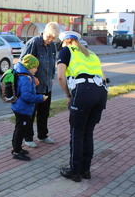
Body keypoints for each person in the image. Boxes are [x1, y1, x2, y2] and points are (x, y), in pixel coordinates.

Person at [57, 31, 108, 182]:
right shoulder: (91, 53)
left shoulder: (66, 50)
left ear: (65, 42)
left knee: (77, 133)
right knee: (88, 133)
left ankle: (75, 171)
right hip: (101, 92)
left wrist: (68, 95)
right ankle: (86, 170)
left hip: (83, 92)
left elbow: (60, 76)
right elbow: (103, 76)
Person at [19, 22, 60, 148]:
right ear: (44, 31)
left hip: (47, 85)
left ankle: (42, 135)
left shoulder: (52, 46)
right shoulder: (34, 43)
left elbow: (52, 63)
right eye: (49, 36)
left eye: (53, 38)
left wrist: (51, 77)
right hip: (33, 87)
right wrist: (32, 77)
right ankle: (28, 137)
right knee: (31, 113)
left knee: (44, 112)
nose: (50, 40)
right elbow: (23, 63)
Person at [11, 54, 48, 161]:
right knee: (20, 130)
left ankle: (16, 148)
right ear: (29, 67)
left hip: (19, 107)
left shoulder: (23, 74)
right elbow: (27, 96)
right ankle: (17, 152)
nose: (36, 69)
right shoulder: (25, 78)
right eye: (35, 67)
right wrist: (40, 98)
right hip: (22, 108)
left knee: (18, 129)